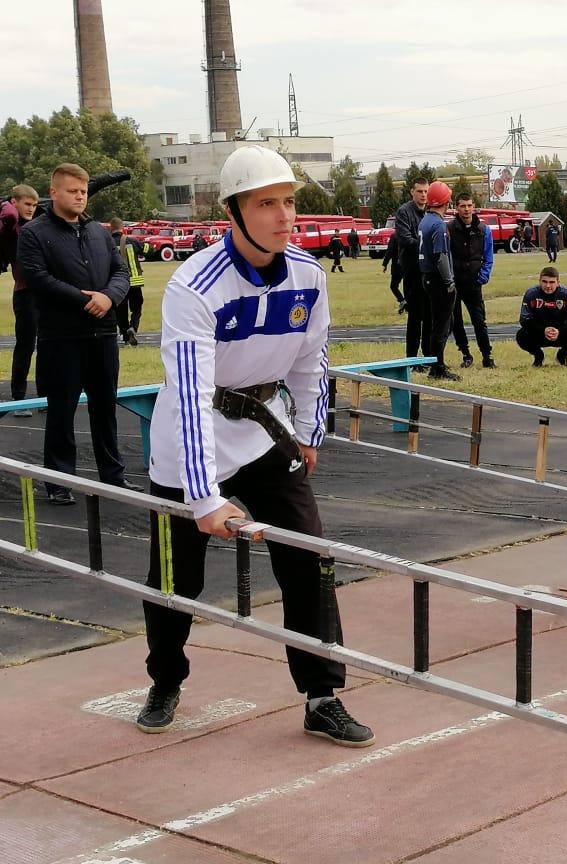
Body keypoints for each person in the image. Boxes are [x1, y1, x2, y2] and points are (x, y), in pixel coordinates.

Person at [135, 145, 373, 747]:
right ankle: (165, 679)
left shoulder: (308, 277)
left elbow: (310, 364)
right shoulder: (195, 286)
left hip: (265, 432)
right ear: (234, 211)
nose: (284, 215)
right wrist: (204, 496)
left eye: (289, 202)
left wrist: (308, 434)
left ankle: (322, 695)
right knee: (173, 577)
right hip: (193, 442)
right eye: (267, 203)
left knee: (309, 557)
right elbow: (189, 392)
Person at [18, 164, 140, 504]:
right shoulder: (35, 233)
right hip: (62, 338)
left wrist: (109, 297)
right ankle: (58, 482)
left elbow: (121, 272)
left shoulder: (98, 232)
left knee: (105, 410)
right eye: (73, 190)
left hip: (102, 337)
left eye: (83, 190)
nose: (80, 196)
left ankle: (113, 476)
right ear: (54, 192)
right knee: (62, 411)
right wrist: (86, 300)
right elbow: (39, 278)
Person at [0, 184, 39, 413]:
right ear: (14, 202)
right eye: (27, 204)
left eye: (34, 205)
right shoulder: (9, 226)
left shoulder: (34, 226)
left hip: (45, 292)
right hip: (24, 293)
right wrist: (7, 203)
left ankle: (45, 396)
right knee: (25, 345)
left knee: (46, 344)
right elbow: (8, 214)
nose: (32, 209)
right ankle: (18, 398)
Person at [417, 180, 461, 381]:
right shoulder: (438, 224)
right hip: (438, 279)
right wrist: (449, 282)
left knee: (443, 322)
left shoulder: (425, 220)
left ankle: (437, 362)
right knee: (441, 324)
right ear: (445, 200)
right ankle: (437, 367)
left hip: (426, 277)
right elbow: (441, 256)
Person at [447, 192, 496, 369]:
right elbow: (446, 255)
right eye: (462, 206)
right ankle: (466, 354)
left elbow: (489, 256)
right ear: (456, 208)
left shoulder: (484, 230)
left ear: (473, 206)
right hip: (454, 282)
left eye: (469, 205)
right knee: (456, 320)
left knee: (479, 320)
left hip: (474, 282)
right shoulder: (450, 229)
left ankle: (487, 355)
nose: (466, 209)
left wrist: (483, 276)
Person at [516, 267, 567, 366]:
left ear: (558, 282)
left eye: (552, 282)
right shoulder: (531, 294)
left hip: (561, 333)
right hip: (539, 333)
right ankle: (538, 356)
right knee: (521, 335)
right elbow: (524, 320)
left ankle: (562, 355)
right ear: (539, 281)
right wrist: (543, 330)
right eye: (544, 281)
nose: (548, 286)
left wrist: (559, 331)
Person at [395, 178, 430, 361]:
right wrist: (427, 245)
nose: (423, 195)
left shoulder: (431, 211)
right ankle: (412, 358)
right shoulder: (404, 212)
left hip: (430, 270)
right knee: (415, 317)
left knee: (429, 316)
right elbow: (405, 240)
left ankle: (427, 355)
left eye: (426, 191)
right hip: (412, 271)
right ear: (412, 192)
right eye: (420, 191)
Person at [109, 217, 145, 346]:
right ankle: (133, 327)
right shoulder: (130, 240)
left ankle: (125, 335)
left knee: (120, 310)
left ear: (110, 228)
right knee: (137, 306)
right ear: (122, 227)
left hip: (117, 283)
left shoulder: (107, 243)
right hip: (134, 281)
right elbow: (147, 249)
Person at [380, 233, 406, 313]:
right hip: (408, 264)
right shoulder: (409, 234)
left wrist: (385, 263)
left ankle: (402, 300)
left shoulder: (394, 236)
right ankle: (408, 304)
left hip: (397, 265)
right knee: (408, 286)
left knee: (393, 286)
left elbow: (390, 251)